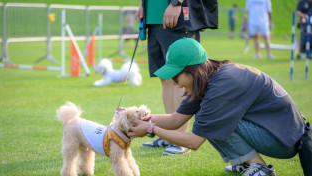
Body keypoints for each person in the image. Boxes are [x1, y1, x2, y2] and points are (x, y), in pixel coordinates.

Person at [128, 38, 310, 176]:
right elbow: (176, 119)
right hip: (279, 132)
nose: (175, 83)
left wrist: (152, 129)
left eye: (176, 77)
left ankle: (259, 168)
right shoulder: (209, 77)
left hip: (285, 140)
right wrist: (137, 117)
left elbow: (194, 142)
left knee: (207, 119)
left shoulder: (221, 86)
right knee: (208, 119)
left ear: (192, 70)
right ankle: (244, 162)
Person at [135, 0, 218, 155]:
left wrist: (176, 3)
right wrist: (142, 5)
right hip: (154, 18)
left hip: (176, 14)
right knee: (166, 79)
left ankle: (180, 137)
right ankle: (169, 135)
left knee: (181, 77)